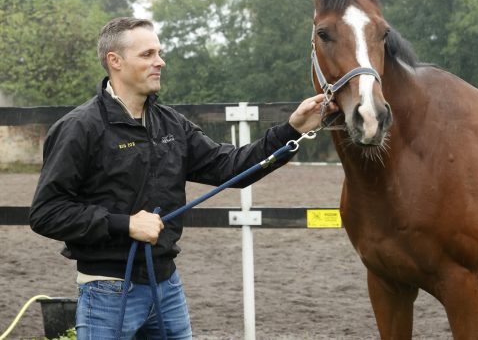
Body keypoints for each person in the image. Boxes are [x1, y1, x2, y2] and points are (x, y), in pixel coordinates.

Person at [29, 17, 337, 339]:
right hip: (108, 292)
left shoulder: (171, 124)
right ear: (115, 61)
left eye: (159, 53)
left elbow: (231, 167)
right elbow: (46, 213)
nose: (160, 62)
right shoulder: (79, 128)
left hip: (167, 287)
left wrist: (292, 130)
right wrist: (125, 224)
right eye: (147, 54)